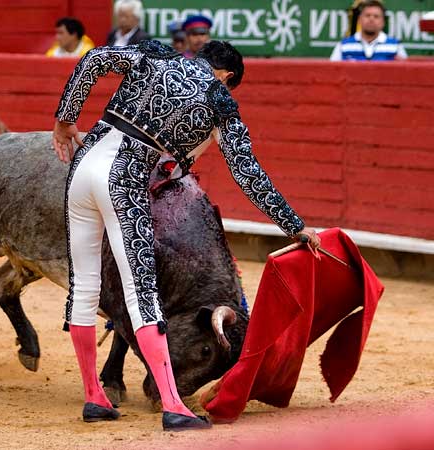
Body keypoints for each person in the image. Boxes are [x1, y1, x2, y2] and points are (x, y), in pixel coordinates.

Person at [52, 39, 320, 431]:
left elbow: (95, 58)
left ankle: (94, 396)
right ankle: (174, 405)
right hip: (125, 176)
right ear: (227, 76)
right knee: (141, 292)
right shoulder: (218, 100)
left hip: (84, 165)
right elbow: (247, 173)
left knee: (85, 287)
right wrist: (293, 224)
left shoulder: (156, 54)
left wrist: (65, 119)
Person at [330, 0, 407, 61]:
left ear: (383, 22)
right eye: (367, 15)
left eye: (376, 16)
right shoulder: (343, 46)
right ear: (359, 19)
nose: (371, 19)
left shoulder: (396, 47)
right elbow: (331, 71)